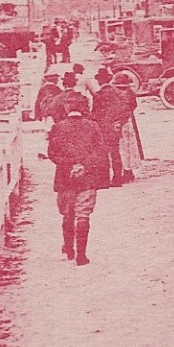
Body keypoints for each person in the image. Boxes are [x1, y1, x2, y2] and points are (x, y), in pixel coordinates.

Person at [47, 76, 108, 265]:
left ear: (66, 109)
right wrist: (83, 166)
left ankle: (70, 249)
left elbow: (52, 153)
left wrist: (69, 165)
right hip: (87, 177)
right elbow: (100, 153)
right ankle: (82, 255)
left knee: (68, 213)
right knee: (83, 214)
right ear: (84, 108)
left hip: (65, 177)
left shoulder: (58, 128)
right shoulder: (93, 127)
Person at [91, 68, 139, 186]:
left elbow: (96, 113)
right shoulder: (125, 93)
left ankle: (118, 174)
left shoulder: (100, 94)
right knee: (128, 147)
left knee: (117, 150)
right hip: (126, 121)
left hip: (111, 125)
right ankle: (128, 171)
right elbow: (132, 106)